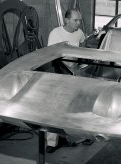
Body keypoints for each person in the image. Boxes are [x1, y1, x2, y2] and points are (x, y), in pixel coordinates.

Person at [46, 8, 85, 153]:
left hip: (73, 74)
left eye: (80, 20)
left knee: (71, 109)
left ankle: (65, 138)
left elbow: (83, 45)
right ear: (67, 20)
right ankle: (51, 142)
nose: (78, 23)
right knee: (54, 109)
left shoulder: (79, 33)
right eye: (75, 20)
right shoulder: (55, 34)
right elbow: (50, 57)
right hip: (58, 74)